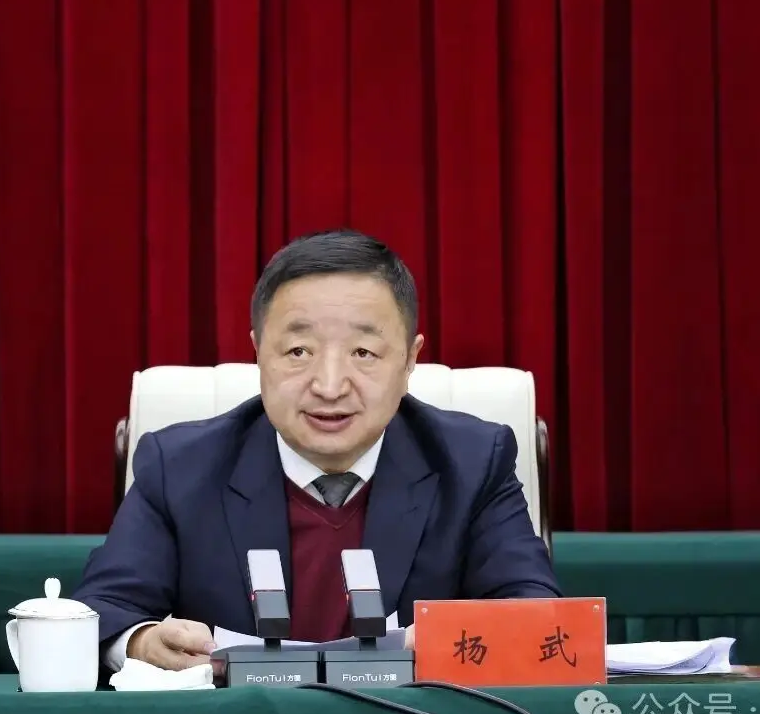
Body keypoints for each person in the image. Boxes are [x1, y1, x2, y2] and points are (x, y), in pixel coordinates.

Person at [73, 229, 561, 675]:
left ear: (410, 360)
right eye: (298, 352)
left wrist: (450, 641)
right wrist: (142, 643)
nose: (329, 386)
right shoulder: (179, 466)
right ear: (257, 352)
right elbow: (104, 611)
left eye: (363, 353)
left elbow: (535, 613)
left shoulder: (474, 462)